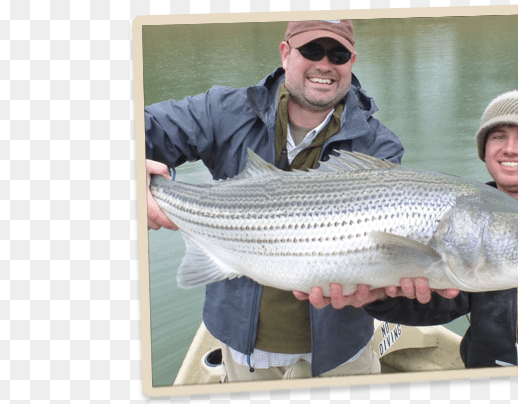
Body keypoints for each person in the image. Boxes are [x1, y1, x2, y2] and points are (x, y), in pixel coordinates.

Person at [144, 20, 404, 380]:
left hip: (341, 355)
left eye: (338, 54)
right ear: (285, 53)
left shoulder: (380, 147)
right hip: (243, 352)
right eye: (311, 50)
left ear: (352, 61)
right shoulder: (223, 110)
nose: (325, 64)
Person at [303, 90, 518, 367]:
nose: (510, 147)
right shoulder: (470, 215)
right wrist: (379, 296)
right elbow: (444, 304)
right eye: (497, 137)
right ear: (484, 151)